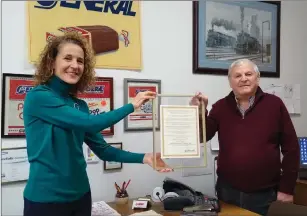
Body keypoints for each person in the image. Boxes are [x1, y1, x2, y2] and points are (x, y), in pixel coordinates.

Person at [23, 32, 172, 216]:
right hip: (45, 201)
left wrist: (145, 157)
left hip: (81, 196)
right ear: (52, 62)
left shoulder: (80, 105)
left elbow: (103, 151)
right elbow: (92, 123)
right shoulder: (39, 97)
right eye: (67, 58)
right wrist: (132, 105)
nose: (75, 65)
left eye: (80, 61)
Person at [190, 59, 300, 216]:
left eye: (248, 74)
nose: (243, 79)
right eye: (237, 75)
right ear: (230, 81)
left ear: (258, 77)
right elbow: (202, 136)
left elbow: (292, 149)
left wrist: (287, 188)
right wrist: (200, 111)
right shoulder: (220, 107)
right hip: (227, 192)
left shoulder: (275, 105)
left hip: (266, 194)